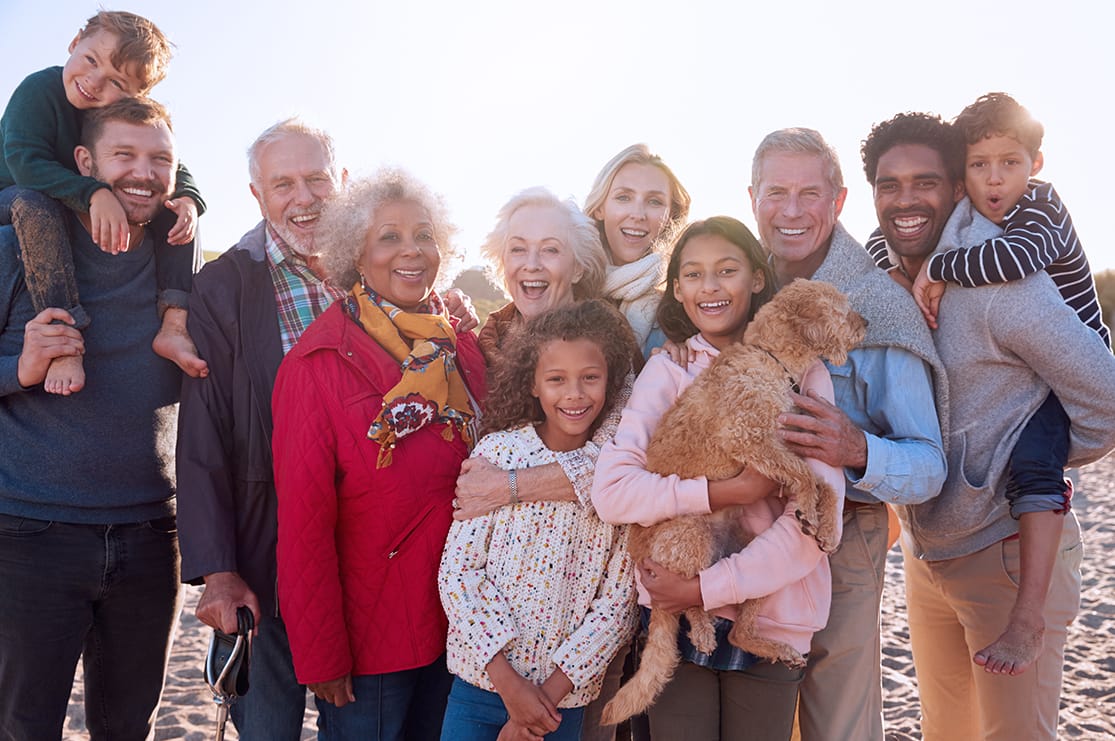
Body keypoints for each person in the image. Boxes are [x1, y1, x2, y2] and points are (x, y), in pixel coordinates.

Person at [860, 111, 1115, 739]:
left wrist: (1013, 463)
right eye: (889, 185)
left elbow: (1106, 400)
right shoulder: (889, 278)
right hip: (929, 555)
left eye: (926, 181)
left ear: (955, 189)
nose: (906, 199)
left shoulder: (1005, 284)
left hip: (1006, 553)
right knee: (945, 730)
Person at [591, 216, 845, 740]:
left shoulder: (805, 376)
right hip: (677, 612)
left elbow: (815, 524)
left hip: (772, 611)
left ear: (756, 278)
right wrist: (725, 492)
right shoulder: (669, 371)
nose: (710, 286)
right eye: (693, 274)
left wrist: (705, 588)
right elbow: (613, 492)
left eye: (726, 270)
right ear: (678, 290)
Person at [270, 168, 486, 739]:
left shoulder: (460, 344)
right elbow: (303, 522)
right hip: (375, 639)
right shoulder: (317, 364)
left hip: (467, 625)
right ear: (355, 255)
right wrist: (321, 656)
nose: (411, 251)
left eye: (423, 235)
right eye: (389, 237)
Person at [747, 128, 948, 741]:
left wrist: (857, 449)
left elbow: (929, 464)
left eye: (810, 193)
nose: (790, 210)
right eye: (775, 191)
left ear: (837, 203)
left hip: (841, 537)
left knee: (838, 723)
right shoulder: (734, 284)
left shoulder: (877, 304)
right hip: (740, 530)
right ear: (751, 197)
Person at [0, 97, 186, 740]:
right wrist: (18, 368)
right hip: (28, 532)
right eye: (124, 155)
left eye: (159, 157)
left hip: (150, 533)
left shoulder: (178, 268)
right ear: (83, 162)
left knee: (130, 725)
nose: (143, 172)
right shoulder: (16, 249)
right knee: (24, 726)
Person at [439, 299, 639, 741]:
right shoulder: (498, 455)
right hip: (480, 687)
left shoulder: (618, 481)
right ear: (532, 384)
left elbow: (617, 604)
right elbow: (458, 573)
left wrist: (543, 701)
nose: (574, 394)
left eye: (590, 378)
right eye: (556, 379)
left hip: (561, 702)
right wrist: (511, 689)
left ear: (610, 382)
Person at [0, 9, 208, 395]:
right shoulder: (39, 89)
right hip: (12, 195)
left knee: (172, 209)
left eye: (115, 81)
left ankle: (174, 323)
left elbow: (171, 163)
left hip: (64, 196)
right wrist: (94, 192)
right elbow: (24, 162)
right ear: (74, 42)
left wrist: (189, 199)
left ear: (135, 96)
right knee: (35, 206)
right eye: (90, 60)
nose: (93, 82)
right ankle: (63, 334)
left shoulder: (114, 117)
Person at [583, 143, 691, 355]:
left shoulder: (683, 303)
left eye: (654, 201)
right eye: (624, 197)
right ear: (599, 208)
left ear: (671, 216)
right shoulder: (567, 286)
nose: (638, 214)